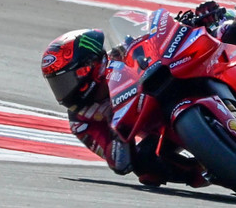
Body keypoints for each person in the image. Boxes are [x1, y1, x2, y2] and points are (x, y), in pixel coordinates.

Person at [41, 29, 208, 187]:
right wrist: (119, 132)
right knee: (144, 165)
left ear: (90, 66)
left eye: (66, 81)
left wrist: (181, 26)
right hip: (159, 128)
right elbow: (118, 163)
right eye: (57, 84)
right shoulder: (81, 120)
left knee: (226, 29)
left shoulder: (121, 52)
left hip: (175, 79)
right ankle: (206, 171)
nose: (64, 91)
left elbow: (159, 36)